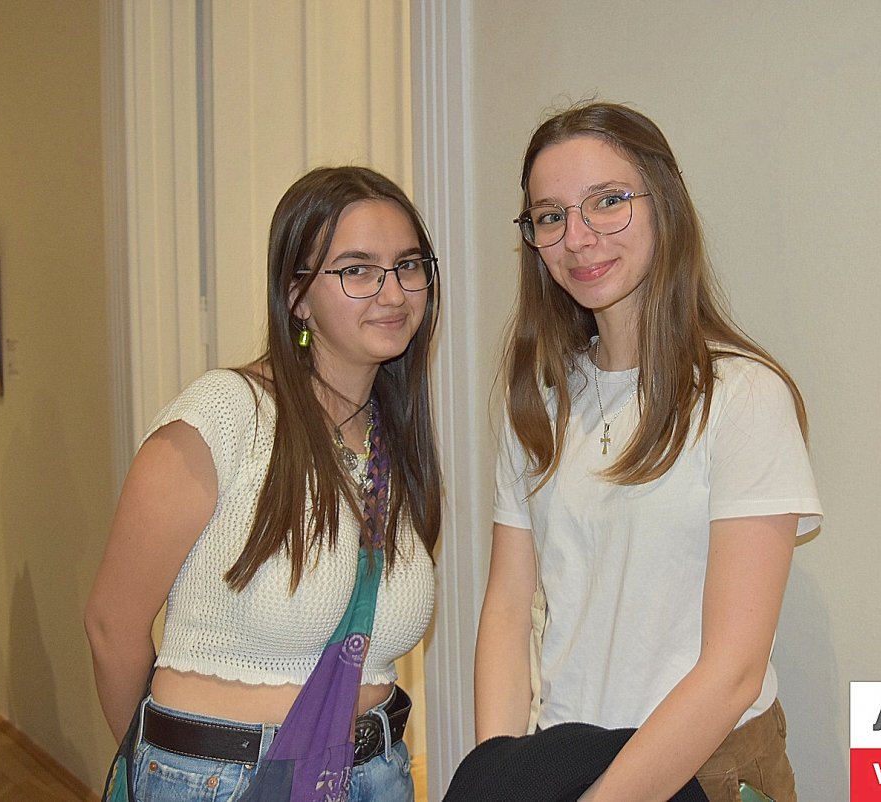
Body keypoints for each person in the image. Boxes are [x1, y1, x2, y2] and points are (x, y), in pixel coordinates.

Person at [474, 102, 823, 802]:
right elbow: (508, 611)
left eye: (608, 201)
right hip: (562, 760)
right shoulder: (540, 401)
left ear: (663, 204)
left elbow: (733, 672)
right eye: (550, 216)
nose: (578, 237)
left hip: (708, 769)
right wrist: (500, 774)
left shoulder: (741, 397)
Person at [86, 166, 442, 802]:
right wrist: (163, 773)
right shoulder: (227, 413)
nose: (392, 292)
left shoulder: (393, 440)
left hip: (378, 772)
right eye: (357, 269)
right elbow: (112, 626)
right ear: (297, 296)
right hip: (223, 780)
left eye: (408, 265)